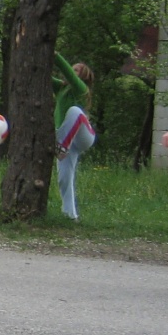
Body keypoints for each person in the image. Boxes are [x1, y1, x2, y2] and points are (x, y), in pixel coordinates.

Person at [53, 53, 96, 220]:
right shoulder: (62, 89)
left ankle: (61, 145)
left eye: (76, 70)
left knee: (75, 111)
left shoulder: (81, 89)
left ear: (83, 75)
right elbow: (43, 76)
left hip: (83, 137)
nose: (72, 71)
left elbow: (67, 72)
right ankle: (70, 215)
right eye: (73, 69)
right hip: (67, 141)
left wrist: (55, 56)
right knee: (64, 179)